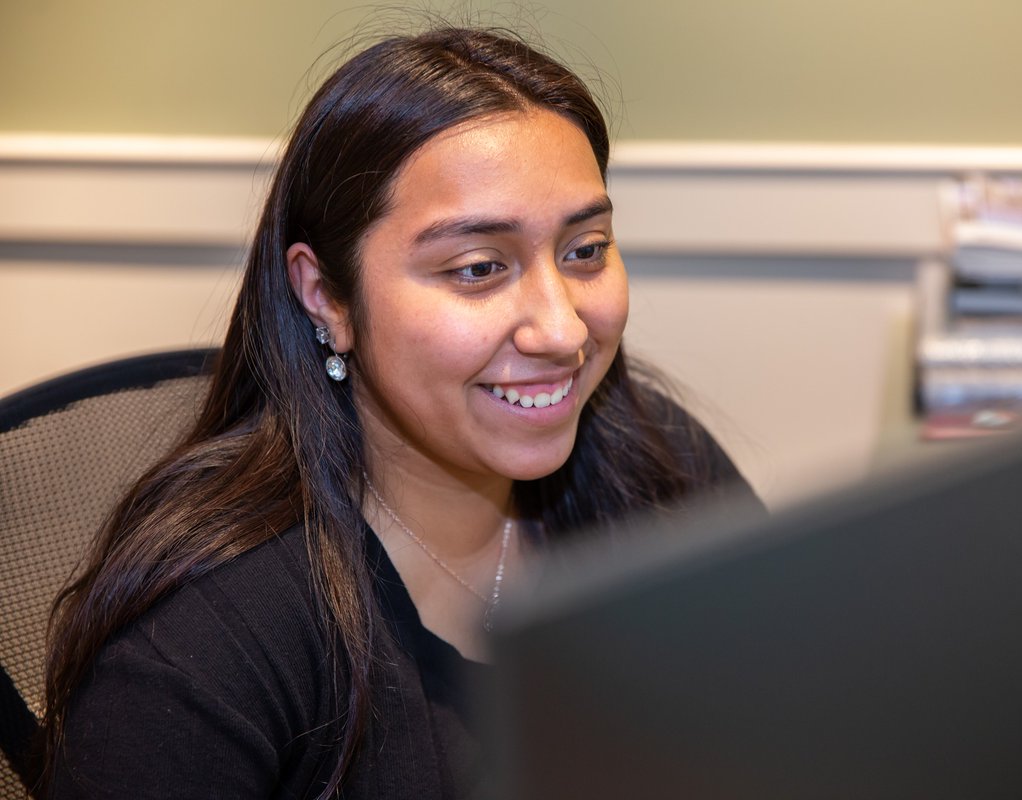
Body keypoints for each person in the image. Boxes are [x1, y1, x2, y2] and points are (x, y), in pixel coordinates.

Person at [40, 27, 760, 799]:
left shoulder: (654, 462)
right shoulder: (205, 641)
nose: (563, 330)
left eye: (585, 250)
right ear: (326, 296)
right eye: (480, 268)